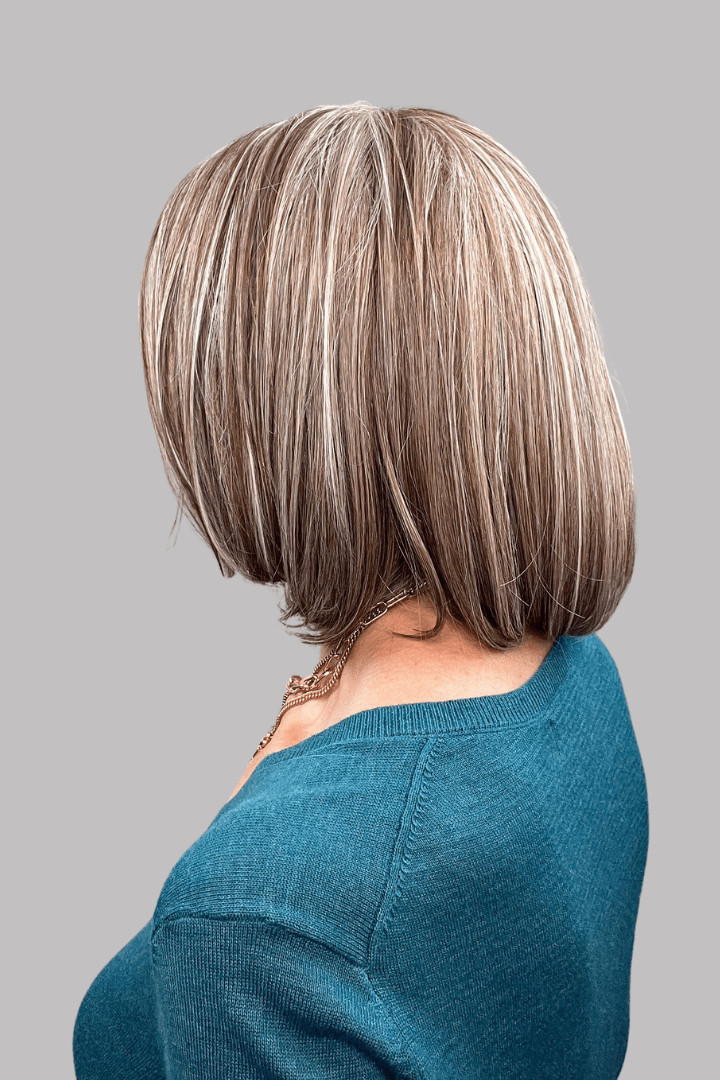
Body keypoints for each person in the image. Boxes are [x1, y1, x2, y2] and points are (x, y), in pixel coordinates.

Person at [73, 103, 648, 1079]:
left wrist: (259, 859)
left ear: (272, 411)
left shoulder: (259, 927)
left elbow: (304, 921)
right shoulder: (579, 680)